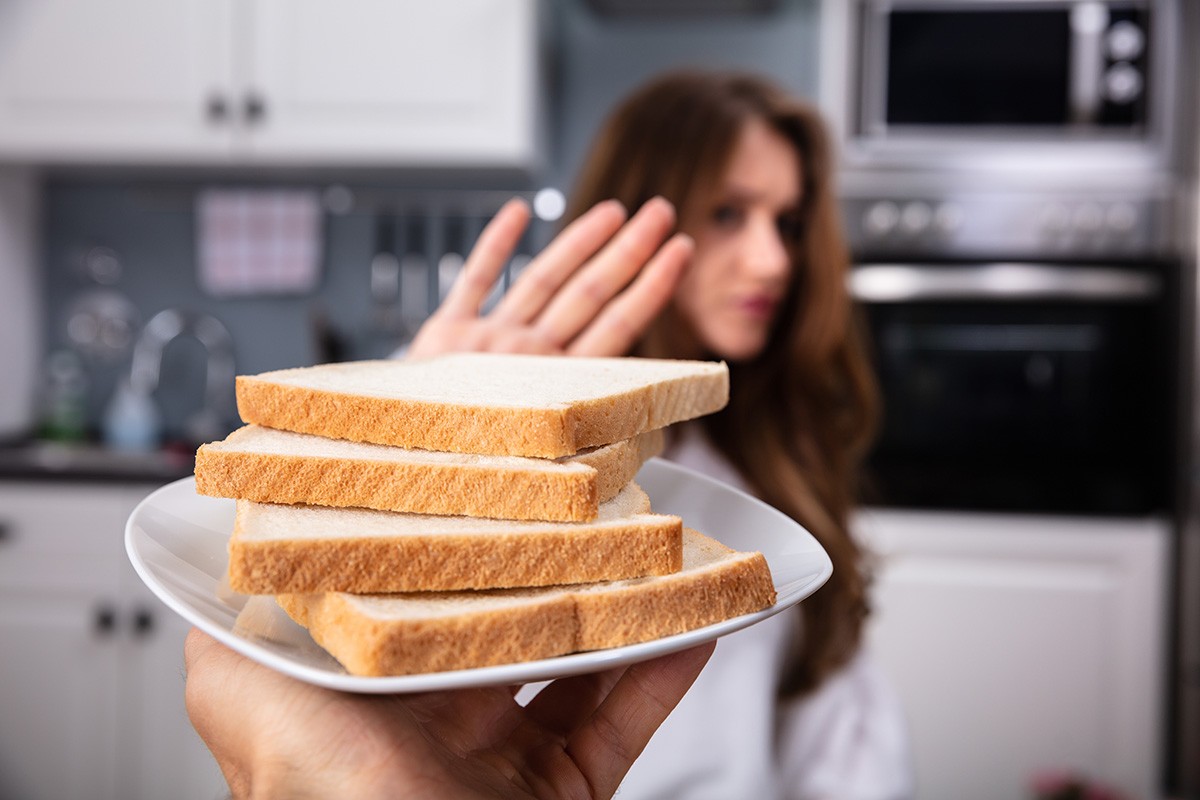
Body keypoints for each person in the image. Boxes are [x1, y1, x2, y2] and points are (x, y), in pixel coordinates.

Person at [184, 69, 913, 799]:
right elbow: (285, 620)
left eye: (787, 223)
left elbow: (842, 733)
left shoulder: (781, 462)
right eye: (728, 214)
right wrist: (418, 400)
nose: (774, 261)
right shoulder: (547, 425)